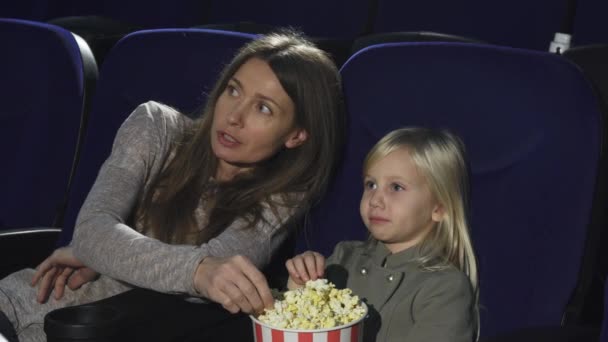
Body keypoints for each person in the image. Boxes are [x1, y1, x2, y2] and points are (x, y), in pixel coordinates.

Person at [0, 29, 345, 342]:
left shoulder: (284, 195)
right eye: (233, 90)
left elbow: (218, 279)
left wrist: (110, 253)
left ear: (296, 135)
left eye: (264, 109)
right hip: (19, 303)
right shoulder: (155, 127)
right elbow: (91, 232)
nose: (233, 116)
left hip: (104, 329)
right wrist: (193, 269)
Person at [285, 127, 479, 342]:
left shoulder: (444, 287)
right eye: (371, 185)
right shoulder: (344, 257)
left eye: (396, 187)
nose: (375, 199)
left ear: (439, 208)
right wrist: (301, 284)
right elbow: (302, 326)